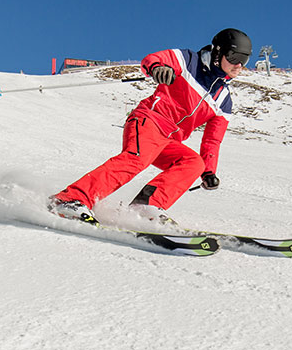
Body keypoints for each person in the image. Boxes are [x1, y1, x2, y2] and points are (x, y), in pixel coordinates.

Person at [48, 28, 252, 224]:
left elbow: (212, 140)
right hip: (149, 121)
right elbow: (153, 59)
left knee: (193, 163)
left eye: (244, 60)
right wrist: (158, 68)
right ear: (218, 52)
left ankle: (145, 207)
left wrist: (208, 171)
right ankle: (70, 199)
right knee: (136, 159)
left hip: (169, 140)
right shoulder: (189, 60)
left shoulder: (223, 98)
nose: (239, 65)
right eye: (234, 57)